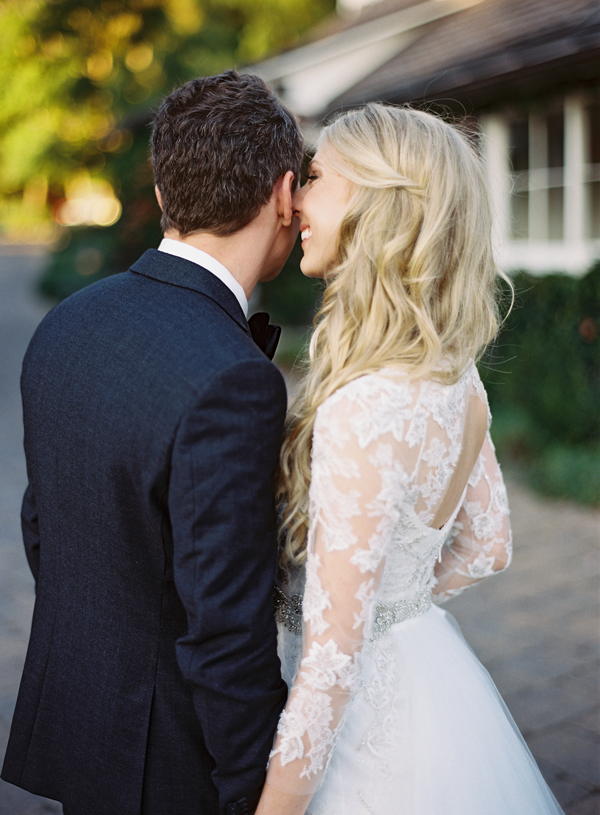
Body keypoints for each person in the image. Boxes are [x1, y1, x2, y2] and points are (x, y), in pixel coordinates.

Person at [1, 70, 302, 815]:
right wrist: (250, 796)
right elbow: (226, 631)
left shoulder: (66, 322)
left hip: (85, 731)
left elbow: (46, 526)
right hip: (170, 766)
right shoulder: (234, 377)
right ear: (284, 195)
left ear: (165, 195)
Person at [255, 104, 564, 815]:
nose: (295, 197)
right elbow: (489, 544)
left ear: (375, 202)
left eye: (317, 176)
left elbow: (333, 661)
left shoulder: (361, 408)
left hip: (370, 741)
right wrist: (399, 601)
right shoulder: (455, 374)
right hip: (434, 680)